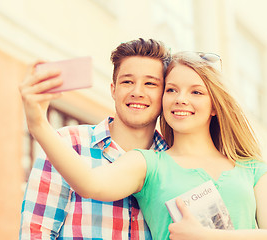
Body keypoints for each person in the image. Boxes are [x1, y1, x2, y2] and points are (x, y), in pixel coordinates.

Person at [21, 51, 267, 240]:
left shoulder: (252, 168)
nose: (180, 99)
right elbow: (91, 184)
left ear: (214, 107)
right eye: (172, 90)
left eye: (196, 92)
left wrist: (206, 237)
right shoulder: (149, 163)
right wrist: (39, 126)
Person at [19, 38, 172, 239]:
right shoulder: (67, 144)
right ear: (113, 89)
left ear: (164, 94)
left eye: (150, 84)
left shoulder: (173, 161)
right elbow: (37, 233)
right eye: (127, 82)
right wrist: (38, 122)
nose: (137, 92)